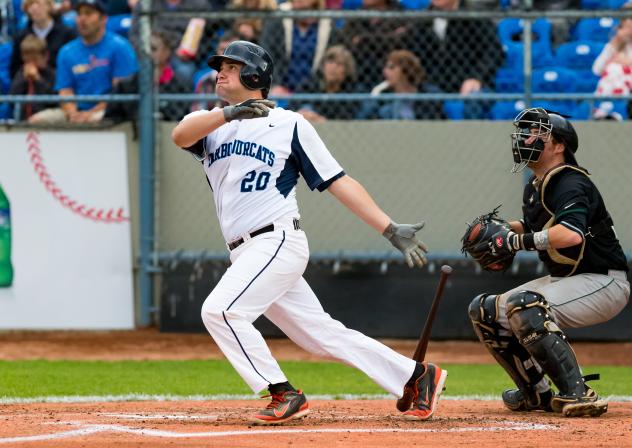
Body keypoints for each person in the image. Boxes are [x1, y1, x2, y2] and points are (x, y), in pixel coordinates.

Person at [171, 40, 447, 425]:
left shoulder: (289, 124)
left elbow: (337, 181)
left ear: (254, 75)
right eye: (221, 66)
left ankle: (282, 393)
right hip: (246, 251)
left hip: (276, 240)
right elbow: (180, 135)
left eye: (231, 67)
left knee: (221, 311)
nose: (221, 72)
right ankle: (416, 377)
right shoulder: (213, 126)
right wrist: (229, 114)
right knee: (321, 335)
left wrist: (387, 226)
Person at [467, 107, 630, 418]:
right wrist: (505, 230)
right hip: (570, 280)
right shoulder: (536, 185)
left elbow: (570, 235)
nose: (526, 138)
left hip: (604, 281)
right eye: (526, 132)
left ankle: (578, 392)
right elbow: (537, 228)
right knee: (484, 309)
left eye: (536, 133)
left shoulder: (569, 180)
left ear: (559, 145)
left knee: (524, 304)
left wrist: (516, 241)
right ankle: (536, 393)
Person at [29, 0, 138, 124]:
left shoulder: (120, 47)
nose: (82, 19)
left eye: (88, 13)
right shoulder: (66, 51)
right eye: (79, 14)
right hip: (76, 110)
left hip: (110, 111)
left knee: (96, 119)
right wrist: (73, 113)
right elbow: (65, 90)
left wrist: (90, 114)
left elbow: (120, 92)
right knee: (37, 120)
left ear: (103, 19)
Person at [357, 49, 445, 120]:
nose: (385, 72)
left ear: (405, 70)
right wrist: (374, 95)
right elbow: (363, 119)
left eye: (391, 68)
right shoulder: (382, 96)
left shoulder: (427, 93)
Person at [291, 44, 359, 122]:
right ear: (323, 65)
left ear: (347, 70)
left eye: (339, 64)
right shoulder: (309, 85)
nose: (333, 67)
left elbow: (347, 119)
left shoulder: (351, 93)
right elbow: (291, 107)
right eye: (330, 62)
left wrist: (321, 120)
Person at [9, 0, 76, 79]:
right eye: (30, 5)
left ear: (49, 6)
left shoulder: (67, 34)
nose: (34, 8)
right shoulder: (21, 37)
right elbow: (14, 69)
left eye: (38, 3)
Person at [9, 34, 56, 121]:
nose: (31, 64)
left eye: (35, 60)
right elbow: (12, 98)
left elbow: (53, 100)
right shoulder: (21, 73)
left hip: (46, 121)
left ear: (45, 56)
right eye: (27, 60)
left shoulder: (51, 74)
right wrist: (23, 80)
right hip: (22, 119)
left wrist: (38, 79)